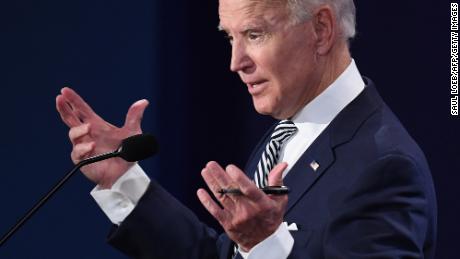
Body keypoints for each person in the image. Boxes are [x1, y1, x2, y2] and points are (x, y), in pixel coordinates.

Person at [56, 0, 437, 258]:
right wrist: (124, 180)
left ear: (321, 30)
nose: (235, 62)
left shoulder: (385, 166)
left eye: (254, 35)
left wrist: (266, 244)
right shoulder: (288, 134)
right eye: (229, 37)